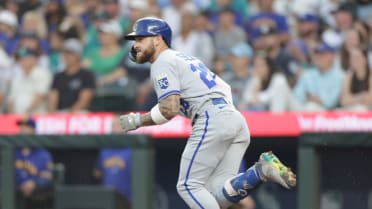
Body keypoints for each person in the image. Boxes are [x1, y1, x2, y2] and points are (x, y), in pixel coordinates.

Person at [119, 17, 296, 209]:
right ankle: (259, 173)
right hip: (234, 119)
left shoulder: (162, 62)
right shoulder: (184, 58)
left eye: (140, 39)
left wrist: (138, 120)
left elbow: (169, 109)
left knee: (188, 186)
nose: (135, 45)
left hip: (210, 118)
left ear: (157, 39)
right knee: (216, 194)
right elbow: (220, 89)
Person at [15, 117, 54, 209]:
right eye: (21, 127)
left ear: (33, 130)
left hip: (38, 200)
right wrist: (19, 185)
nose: (23, 130)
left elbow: (48, 177)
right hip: (14, 197)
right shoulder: (12, 152)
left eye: (27, 127)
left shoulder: (43, 154)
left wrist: (34, 183)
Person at [48, 39, 96, 113]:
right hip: (60, 113)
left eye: (70, 53)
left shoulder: (87, 75)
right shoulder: (58, 76)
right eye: (64, 53)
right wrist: (52, 114)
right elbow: (52, 99)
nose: (66, 56)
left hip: (80, 113)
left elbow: (84, 101)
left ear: (78, 55)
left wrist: (69, 114)